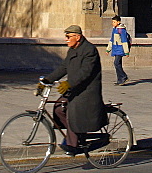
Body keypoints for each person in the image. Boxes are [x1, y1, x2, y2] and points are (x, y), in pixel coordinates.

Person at [43, 24, 108, 155]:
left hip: (86, 90)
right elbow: (63, 68)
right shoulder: (72, 50)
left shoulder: (89, 50)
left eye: (68, 37)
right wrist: (47, 80)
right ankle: (76, 135)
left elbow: (85, 72)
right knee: (58, 108)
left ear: (77, 37)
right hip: (75, 88)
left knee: (73, 111)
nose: (66, 39)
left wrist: (69, 83)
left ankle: (73, 144)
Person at [107, 15, 131, 85]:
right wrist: (108, 49)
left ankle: (124, 77)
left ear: (118, 22)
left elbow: (124, 41)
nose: (113, 23)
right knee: (118, 64)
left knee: (116, 63)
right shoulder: (114, 29)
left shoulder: (121, 30)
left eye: (114, 22)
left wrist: (126, 52)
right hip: (115, 48)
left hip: (120, 48)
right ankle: (120, 80)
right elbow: (112, 40)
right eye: (112, 22)